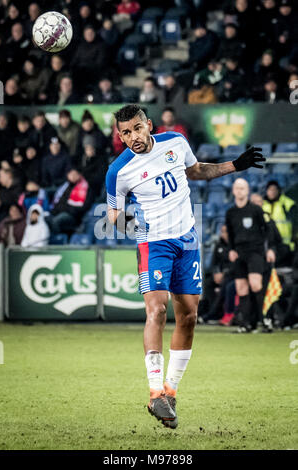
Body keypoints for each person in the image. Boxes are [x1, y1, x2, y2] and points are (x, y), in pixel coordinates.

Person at [105, 104, 265, 428]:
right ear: (120, 136)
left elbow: (196, 171)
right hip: (154, 244)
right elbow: (113, 217)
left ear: (148, 125)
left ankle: (170, 391)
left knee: (189, 316)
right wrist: (133, 228)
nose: (133, 137)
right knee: (157, 310)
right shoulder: (118, 172)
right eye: (125, 133)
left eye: (137, 128)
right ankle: (154, 393)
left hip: (188, 240)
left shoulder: (175, 142)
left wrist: (235, 165)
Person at [226, 178, 276, 333]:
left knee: (256, 285)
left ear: (247, 190)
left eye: (242, 188)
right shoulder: (230, 212)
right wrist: (231, 250)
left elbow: (268, 230)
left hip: (255, 251)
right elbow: (230, 234)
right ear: (233, 190)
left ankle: (266, 320)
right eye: (237, 188)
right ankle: (246, 323)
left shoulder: (256, 210)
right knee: (241, 288)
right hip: (239, 253)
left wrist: (270, 249)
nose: (240, 191)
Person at [46, 167, 94, 235]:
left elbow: (84, 207)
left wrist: (67, 209)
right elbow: (60, 203)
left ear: (79, 175)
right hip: (63, 212)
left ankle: (57, 241)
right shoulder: (66, 187)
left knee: (56, 220)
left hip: (75, 217)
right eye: (71, 174)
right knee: (45, 219)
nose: (72, 176)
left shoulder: (86, 188)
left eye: (75, 174)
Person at [262, 180, 298, 258]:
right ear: (266, 191)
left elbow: (295, 220)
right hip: (268, 246)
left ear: (278, 190)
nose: (272, 192)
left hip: (285, 245)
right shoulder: (263, 205)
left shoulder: (286, 203)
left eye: (275, 189)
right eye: (270, 189)